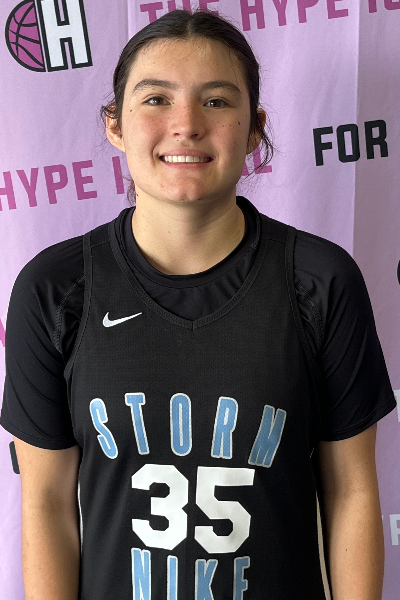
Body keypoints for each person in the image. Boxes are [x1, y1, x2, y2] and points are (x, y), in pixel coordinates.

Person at [0, 8, 396, 600]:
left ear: (254, 128)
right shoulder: (55, 289)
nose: (186, 124)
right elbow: (48, 505)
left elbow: (352, 493)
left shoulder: (320, 281)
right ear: (116, 125)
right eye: (156, 99)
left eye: (215, 101)